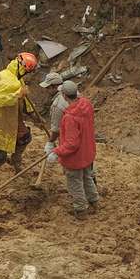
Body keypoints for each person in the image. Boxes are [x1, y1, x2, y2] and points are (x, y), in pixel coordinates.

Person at [0, 52, 39, 171]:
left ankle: (15, 160)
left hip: (13, 117)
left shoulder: (16, 78)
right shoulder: (3, 78)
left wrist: (33, 116)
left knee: (24, 137)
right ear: (23, 69)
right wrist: (18, 95)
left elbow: (26, 102)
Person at [49, 89, 98, 218]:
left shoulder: (70, 117)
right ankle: (94, 201)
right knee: (87, 177)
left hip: (75, 158)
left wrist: (56, 151)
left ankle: (81, 210)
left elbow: (71, 144)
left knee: (75, 183)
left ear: (64, 96)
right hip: (87, 151)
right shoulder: (86, 105)